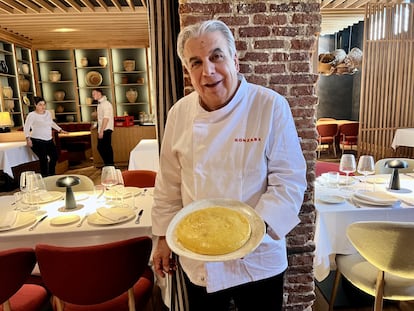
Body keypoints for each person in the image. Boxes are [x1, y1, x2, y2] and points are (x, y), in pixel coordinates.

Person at [151, 20, 307, 311]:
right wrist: (162, 237)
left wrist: (247, 236)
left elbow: (289, 180)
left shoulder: (270, 106)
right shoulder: (179, 113)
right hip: (199, 255)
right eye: (196, 62)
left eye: (216, 56)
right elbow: (169, 183)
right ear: (188, 71)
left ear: (235, 60)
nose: (207, 71)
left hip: (258, 257)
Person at [23, 96, 67, 177]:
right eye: (40, 105)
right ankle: (45, 177)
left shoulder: (48, 113)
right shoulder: (31, 115)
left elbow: (51, 123)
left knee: (55, 157)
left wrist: (60, 130)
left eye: (44, 104)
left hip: (49, 140)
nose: (43, 107)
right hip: (37, 141)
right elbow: (26, 127)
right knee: (44, 159)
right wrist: (28, 139)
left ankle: (51, 174)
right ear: (35, 105)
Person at [92, 88, 114, 166]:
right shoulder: (100, 104)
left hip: (106, 129)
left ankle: (110, 165)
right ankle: (108, 165)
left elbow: (106, 118)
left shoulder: (106, 104)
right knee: (103, 148)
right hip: (103, 129)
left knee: (105, 148)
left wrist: (101, 131)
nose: (93, 96)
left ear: (99, 94)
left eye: (94, 94)